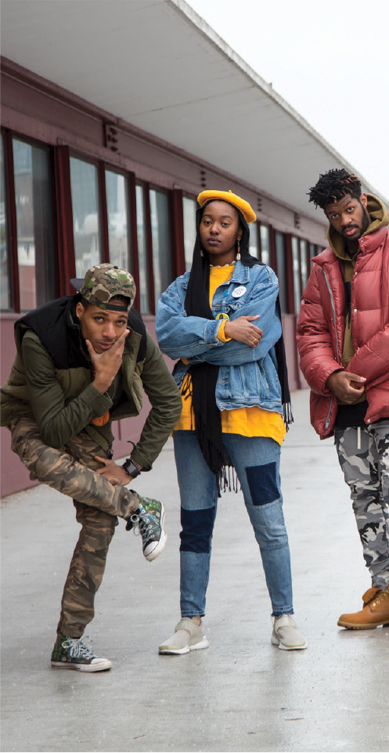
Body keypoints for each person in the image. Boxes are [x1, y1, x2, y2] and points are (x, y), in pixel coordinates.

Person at [0, 264, 180, 672]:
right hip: (35, 415)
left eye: (119, 321)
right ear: (80, 309)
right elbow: (53, 427)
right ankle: (137, 507)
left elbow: (169, 402)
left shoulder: (133, 336)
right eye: (100, 319)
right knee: (43, 459)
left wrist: (132, 465)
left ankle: (70, 641)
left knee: (100, 520)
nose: (110, 333)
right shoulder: (41, 335)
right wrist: (100, 384)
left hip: (88, 425)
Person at [155, 189, 306, 654]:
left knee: (269, 521)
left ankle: (284, 617)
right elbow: (166, 335)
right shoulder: (181, 287)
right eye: (207, 221)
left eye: (224, 222)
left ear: (240, 230)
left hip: (252, 415)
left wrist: (198, 342)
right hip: (191, 418)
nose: (214, 229)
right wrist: (222, 328)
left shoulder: (260, 278)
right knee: (195, 524)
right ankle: (190, 622)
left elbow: (256, 342)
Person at [297, 169, 389, 638]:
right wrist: (329, 376)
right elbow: (310, 333)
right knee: (365, 498)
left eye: (349, 209)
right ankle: (382, 594)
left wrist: (354, 370)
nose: (344, 220)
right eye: (334, 215)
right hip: (346, 405)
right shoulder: (322, 268)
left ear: (364, 200)